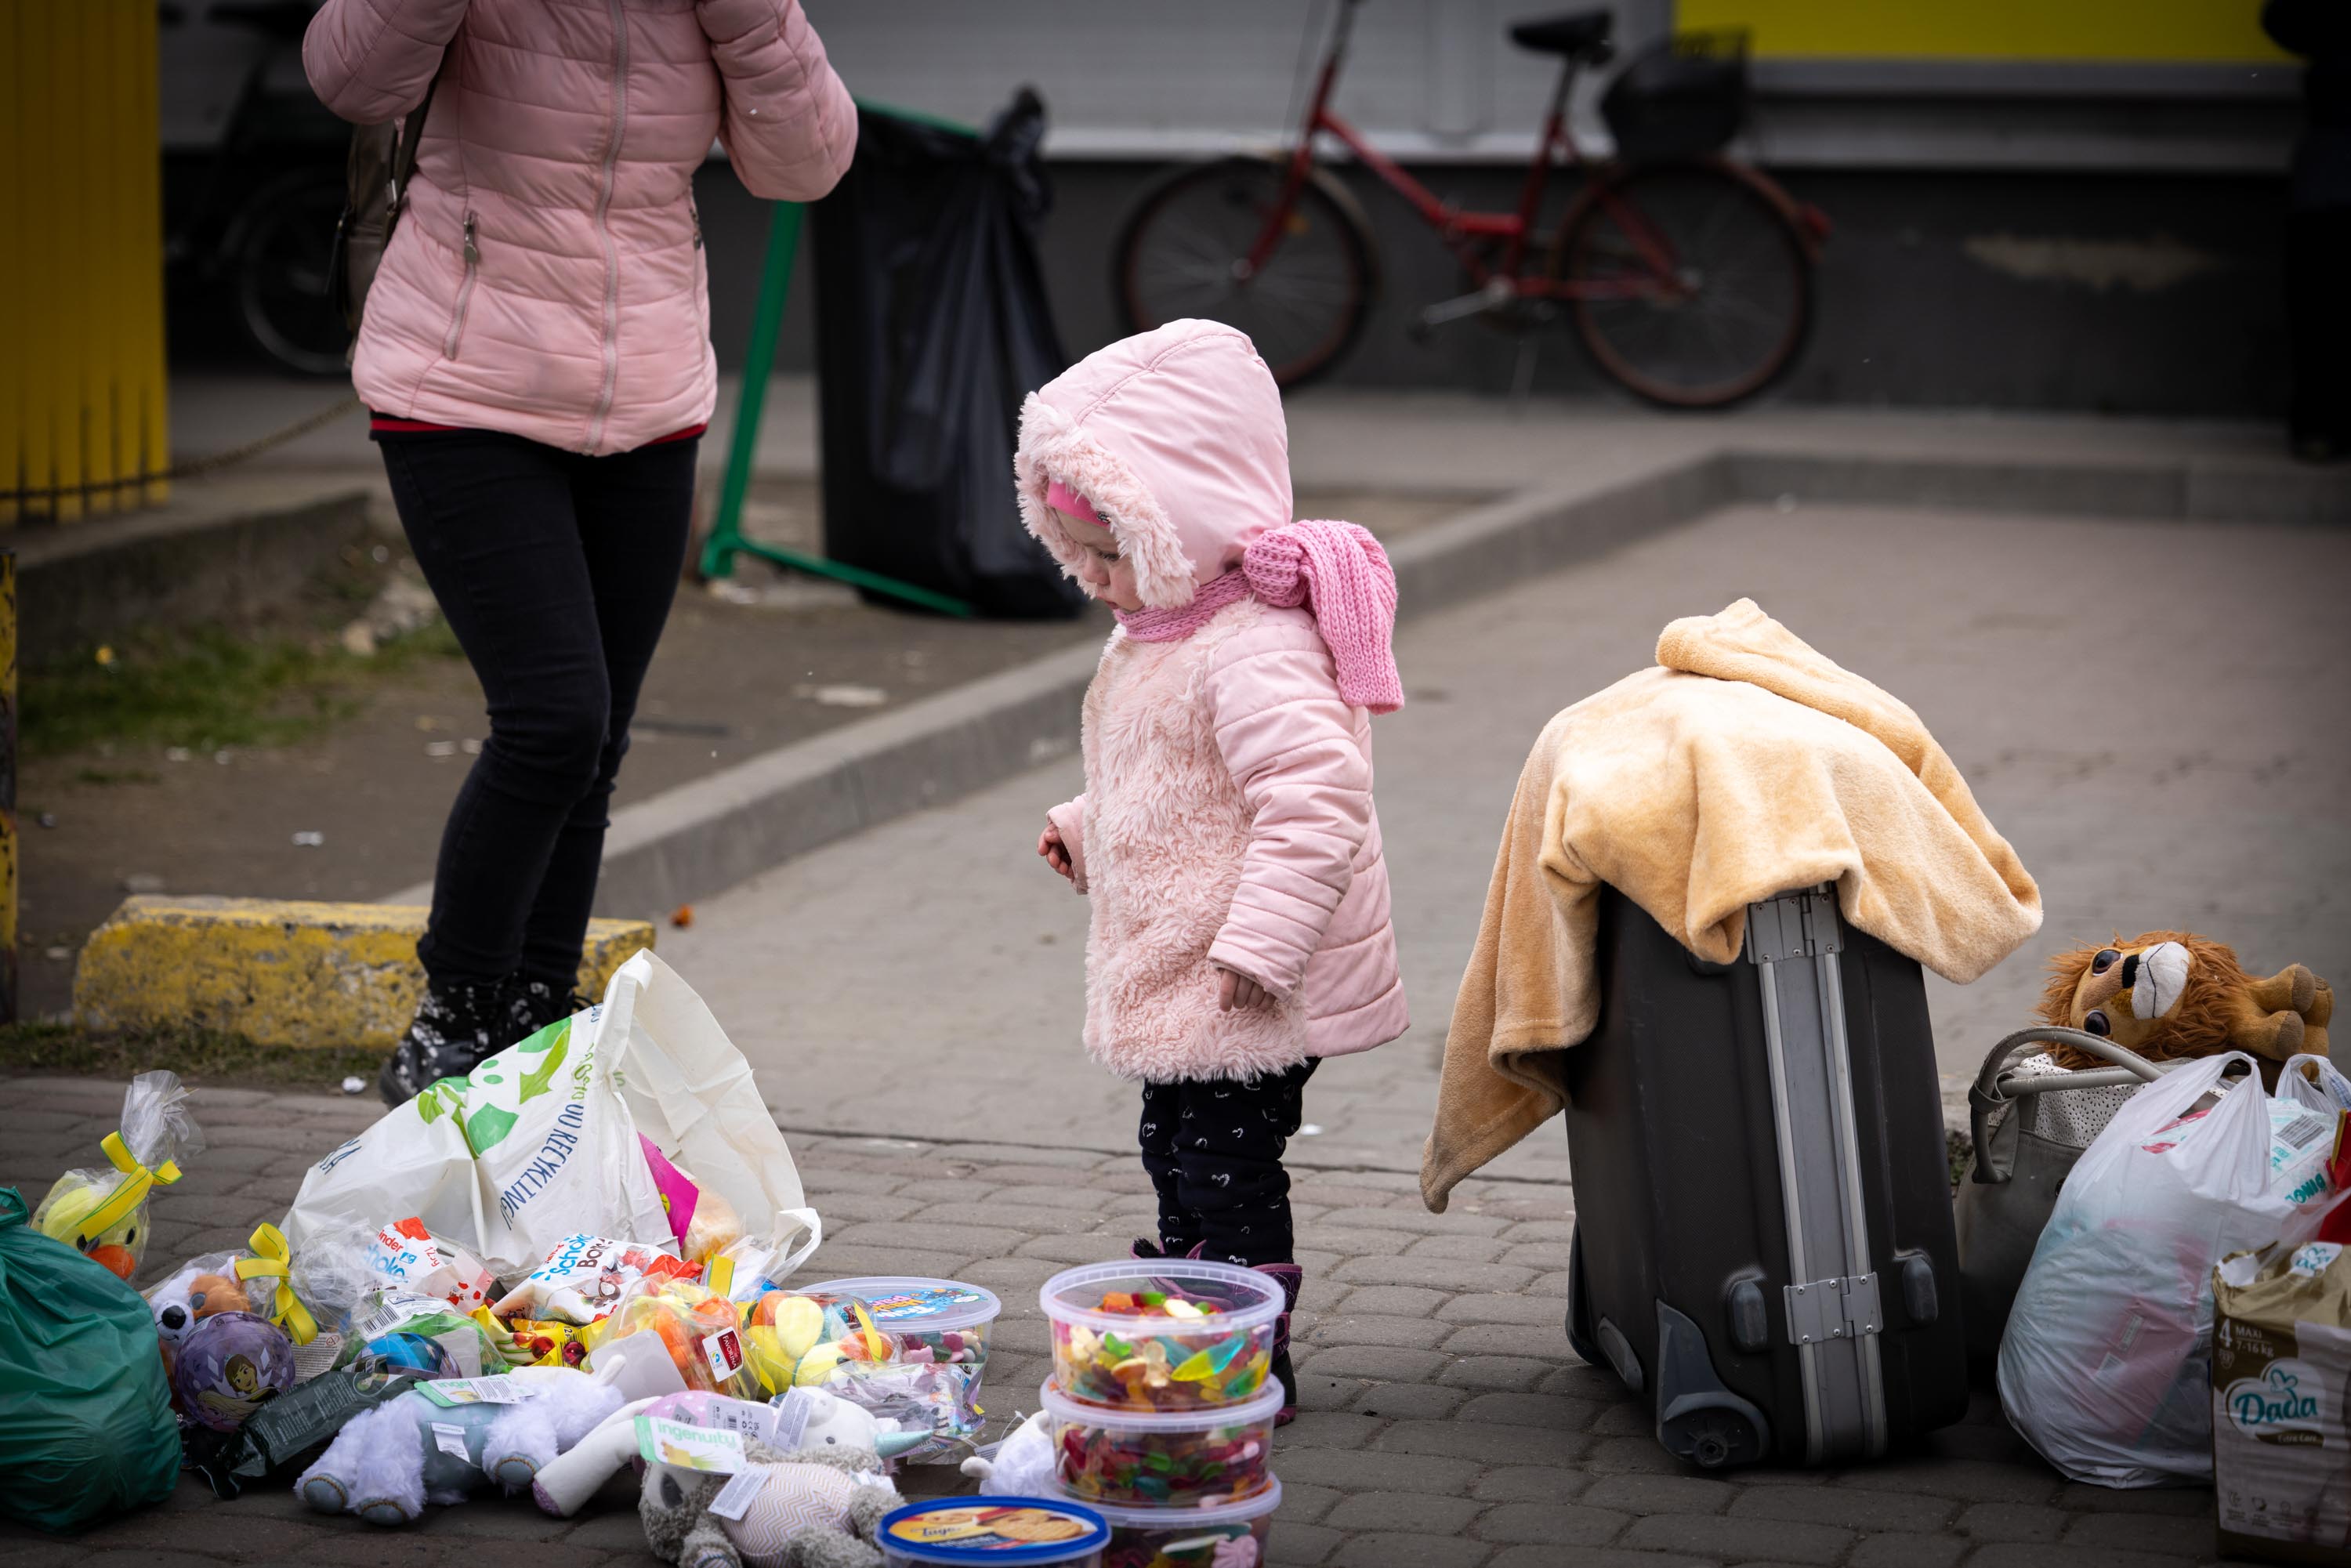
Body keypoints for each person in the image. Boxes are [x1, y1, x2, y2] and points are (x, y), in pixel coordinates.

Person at [301, 0, 855, 1102]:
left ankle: (536, 1014)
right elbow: (352, 80)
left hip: (647, 395)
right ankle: (453, 1013)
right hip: (462, 385)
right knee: (552, 718)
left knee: (595, 740)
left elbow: (806, 165)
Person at [1018, 320, 1411, 1422]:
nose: (1093, 580)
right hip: (1189, 967)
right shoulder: (1163, 627)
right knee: (1175, 1147)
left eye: (1112, 552)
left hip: (1247, 972)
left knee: (1226, 1167)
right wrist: (1087, 825)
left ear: (1184, 521)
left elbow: (1317, 803)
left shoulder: (1254, 648)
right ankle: (1202, 1300)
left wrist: (1262, 945)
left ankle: (1250, 1360)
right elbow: (1176, 786)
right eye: (1076, 556)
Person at [2265, 0, 2351, 459]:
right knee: (2319, 303)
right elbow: (2282, 20)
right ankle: (2319, 423)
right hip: (2330, 172)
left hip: (2327, 177)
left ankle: (2320, 424)